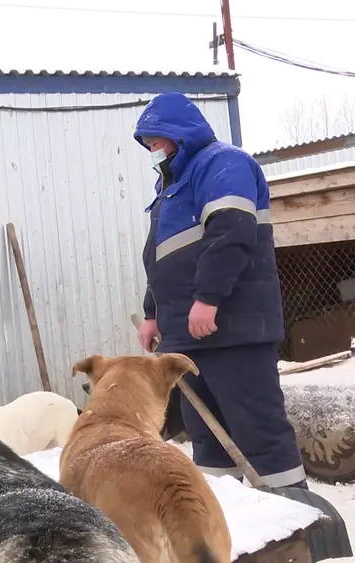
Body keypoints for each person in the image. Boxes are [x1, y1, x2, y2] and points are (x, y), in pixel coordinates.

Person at [134, 92, 307, 491]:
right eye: (147, 145)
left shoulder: (222, 164)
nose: (152, 151)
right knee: (208, 442)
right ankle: (231, 521)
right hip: (187, 341)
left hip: (233, 332)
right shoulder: (170, 190)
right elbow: (162, 260)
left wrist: (208, 298)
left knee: (259, 433)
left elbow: (231, 231)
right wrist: (151, 314)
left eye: (155, 141)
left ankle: (300, 525)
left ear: (177, 134)